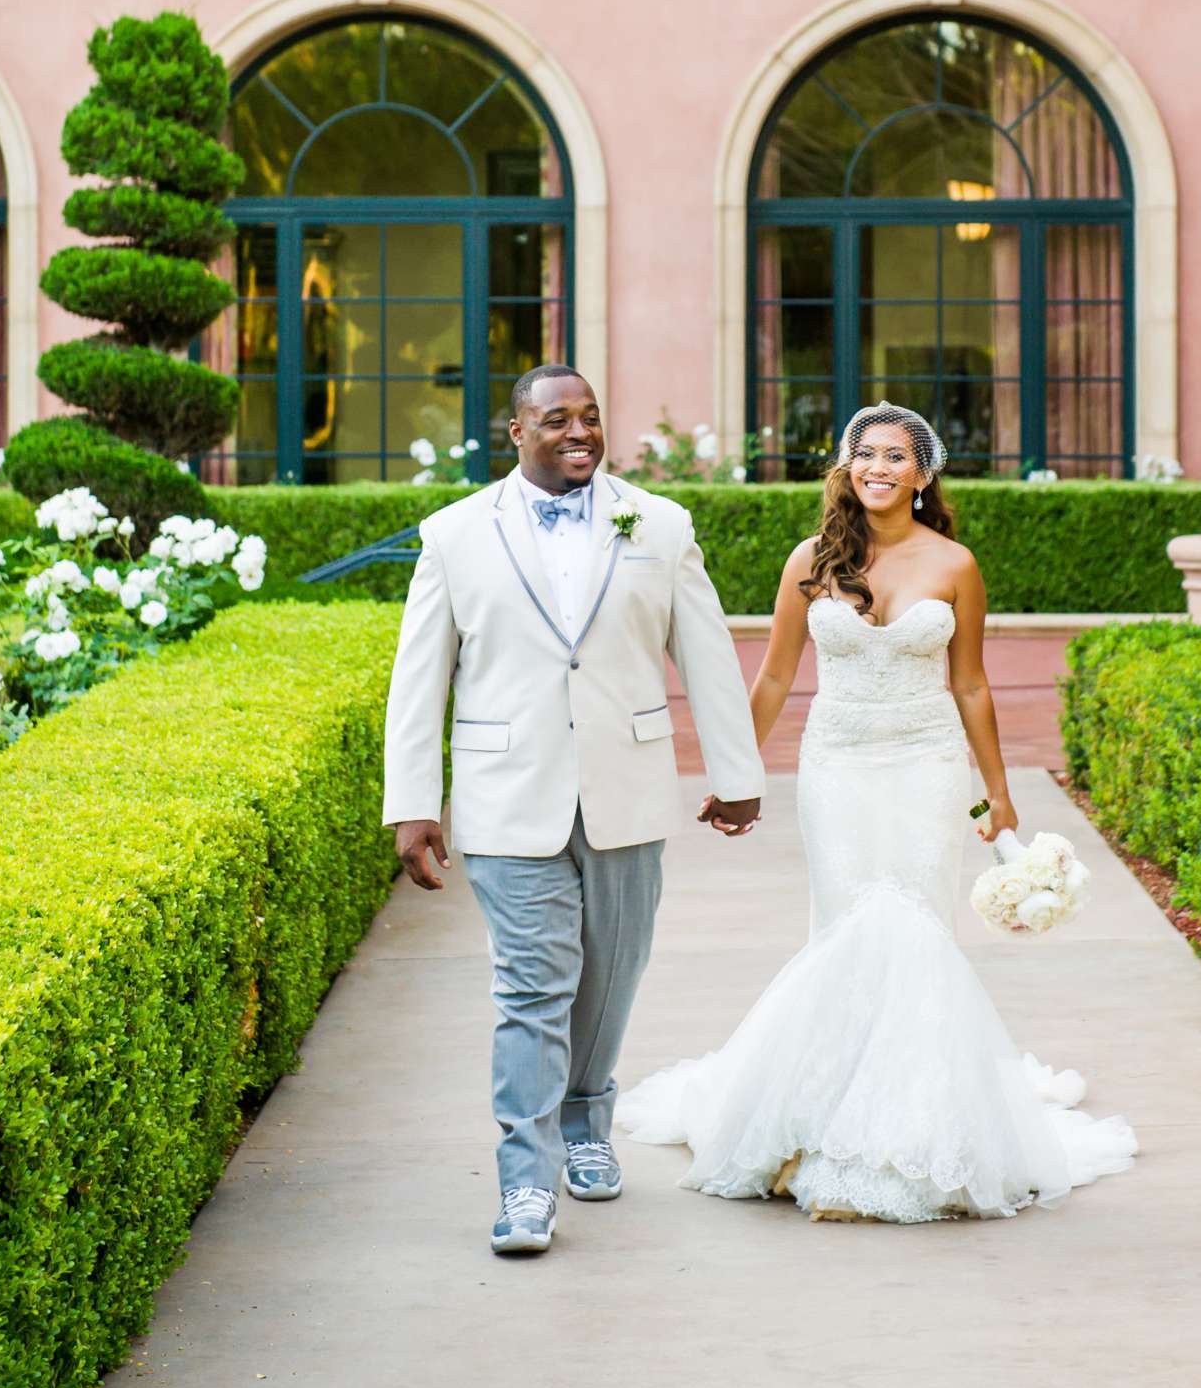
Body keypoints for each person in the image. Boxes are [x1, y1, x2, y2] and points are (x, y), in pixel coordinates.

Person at [618, 401, 1137, 1222]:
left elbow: (970, 682)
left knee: (915, 931)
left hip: (927, 766)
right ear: (846, 468)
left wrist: (998, 792)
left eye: (896, 456)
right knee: (850, 927)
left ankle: (911, 1134)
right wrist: (734, 769)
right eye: (865, 455)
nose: (878, 468)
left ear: (923, 475)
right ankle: (816, 1128)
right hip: (838, 769)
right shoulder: (810, 560)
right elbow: (777, 679)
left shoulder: (955, 564)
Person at [383, 364, 765, 1257]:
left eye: (591, 417)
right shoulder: (452, 536)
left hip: (627, 791)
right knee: (531, 987)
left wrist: (736, 769)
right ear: (516, 432)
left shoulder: (660, 526)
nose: (579, 432)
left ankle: (589, 1120)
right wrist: (412, 803)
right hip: (505, 797)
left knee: (611, 972)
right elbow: (419, 678)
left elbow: (704, 652)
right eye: (557, 420)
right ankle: (525, 1181)